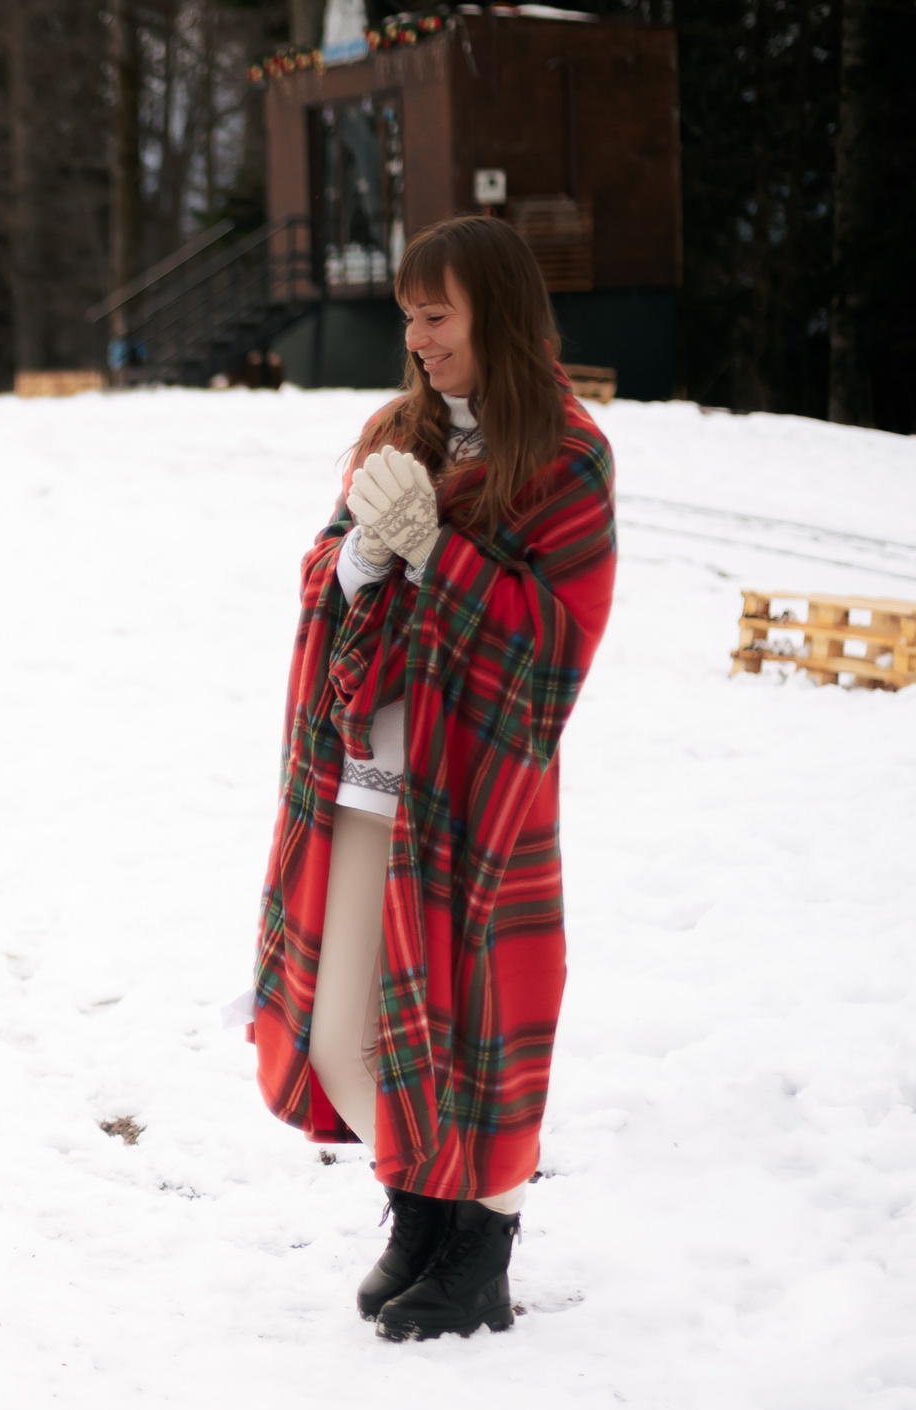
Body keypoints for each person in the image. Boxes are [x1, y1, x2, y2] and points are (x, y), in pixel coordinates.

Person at [249, 217, 618, 1340]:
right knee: (343, 1030)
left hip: (475, 788)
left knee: (479, 1020)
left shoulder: (565, 456)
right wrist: (360, 556)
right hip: (370, 766)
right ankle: (424, 1206)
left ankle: (478, 1247)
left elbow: (554, 646)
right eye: (409, 316)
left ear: (495, 313)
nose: (417, 337)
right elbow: (323, 571)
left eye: (437, 314)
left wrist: (433, 550)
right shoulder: (394, 431)